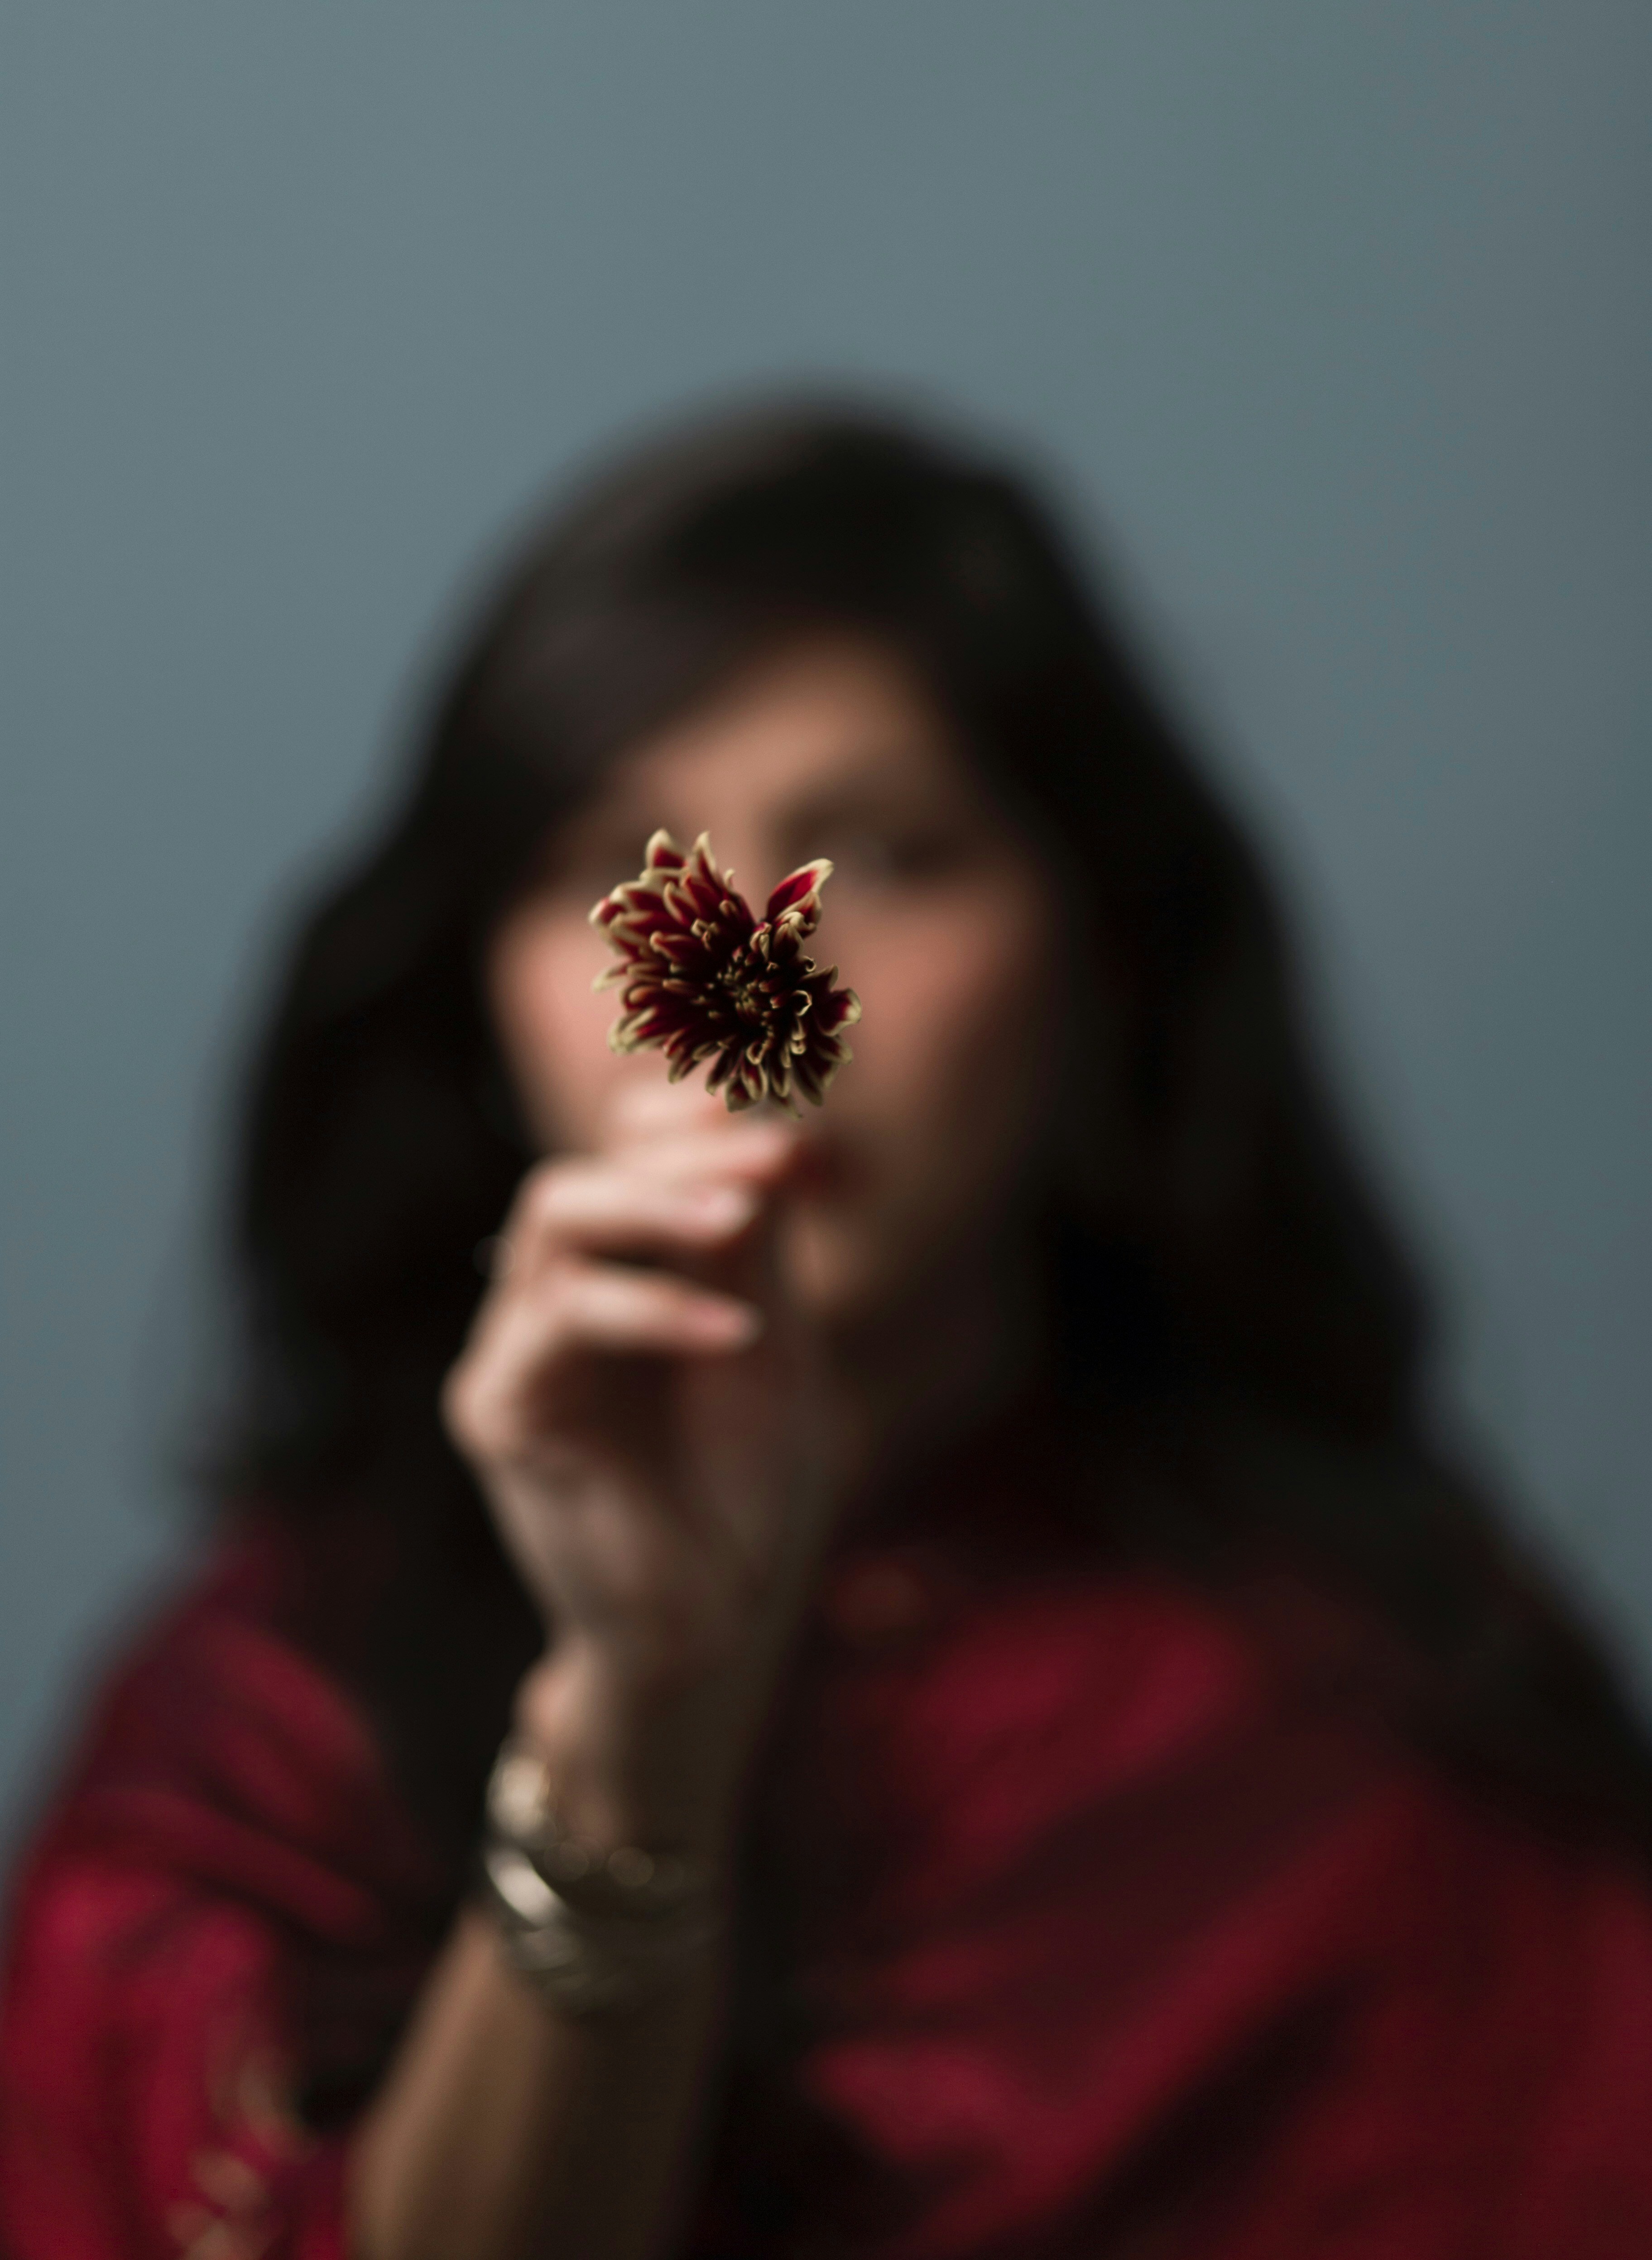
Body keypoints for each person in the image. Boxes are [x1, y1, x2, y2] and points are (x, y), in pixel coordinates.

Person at [4, 402, 1652, 2260]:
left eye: (881, 856)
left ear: (1098, 954)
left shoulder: (1385, 1727)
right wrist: (638, 1718)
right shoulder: (269, 1726)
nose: (752, 991)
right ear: (478, 1001)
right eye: (628, 879)